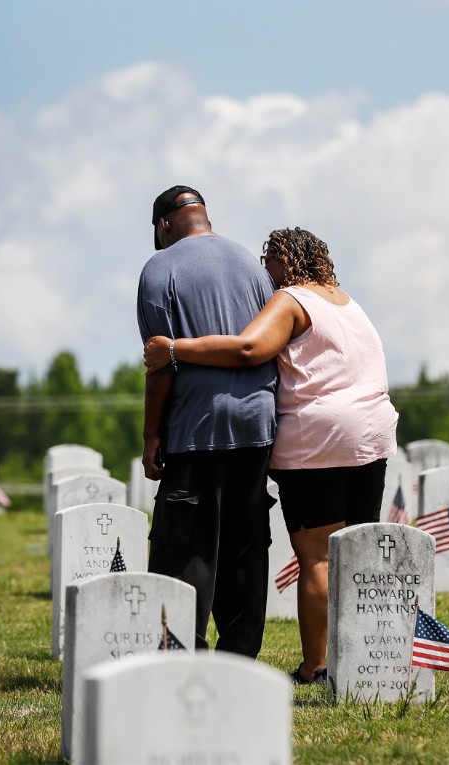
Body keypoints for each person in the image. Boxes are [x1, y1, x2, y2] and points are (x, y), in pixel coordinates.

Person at [144, 226, 398, 684]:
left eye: (270, 263)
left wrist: (173, 349)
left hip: (319, 437)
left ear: (286, 260)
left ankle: (315, 665)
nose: (266, 275)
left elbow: (248, 348)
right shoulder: (347, 301)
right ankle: (366, 662)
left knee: (318, 557)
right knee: (357, 556)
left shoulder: (292, 299)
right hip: (374, 433)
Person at [136, 185, 278, 659]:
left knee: (187, 543)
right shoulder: (251, 265)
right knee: (245, 541)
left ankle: (184, 649)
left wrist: (152, 433)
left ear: (162, 226)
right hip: (257, 423)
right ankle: (239, 656)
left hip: (196, 427)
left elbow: (161, 362)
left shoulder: (160, 268)